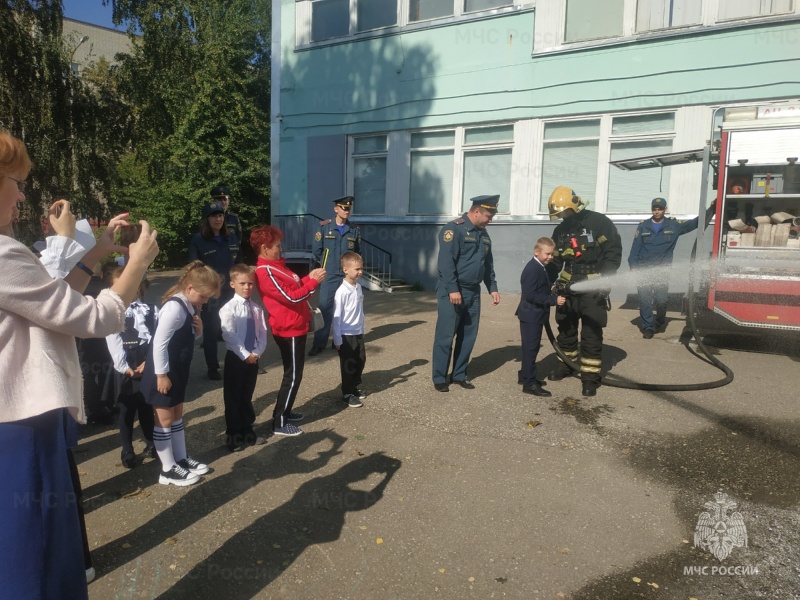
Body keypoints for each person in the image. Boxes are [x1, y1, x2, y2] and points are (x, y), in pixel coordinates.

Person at [0, 130, 160, 600]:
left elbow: (46, 301)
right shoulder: (2, 253)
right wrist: (137, 264)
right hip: (23, 427)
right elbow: (93, 317)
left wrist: (92, 254)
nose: (23, 194)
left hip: (13, 423)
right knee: (40, 558)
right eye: (15, 180)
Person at [141, 261, 221, 486]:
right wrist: (161, 375)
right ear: (190, 289)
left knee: (176, 414)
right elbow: (159, 344)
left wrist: (199, 331)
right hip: (163, 372)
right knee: (164, 419)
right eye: (204, 297)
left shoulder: (189, 305)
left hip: (176, 370)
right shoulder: (175, 307)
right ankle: (167, 469)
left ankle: (181, 458)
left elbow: (183, 340)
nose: (205, 302)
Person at [546, 186, 622, 397]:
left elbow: (613, 253)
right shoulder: (560, 230)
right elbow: (556, 260)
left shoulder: (599, 223)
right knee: (566, 328)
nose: (561, 217)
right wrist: (545, 279)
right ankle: (566, 365)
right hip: (568, 286)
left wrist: (606, 280)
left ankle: (590, 377)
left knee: (591, 333)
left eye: (563, 212)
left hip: (593, 287)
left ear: (574, 206)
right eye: (558, 214)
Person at [252, 225, 326, 436]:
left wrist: (309, 277)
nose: (280, 249)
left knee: (294, 374)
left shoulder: (277, 265)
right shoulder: (265, 271)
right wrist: (313, 282)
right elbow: (292, 297)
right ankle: (280, 422)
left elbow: (294, 288)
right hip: (288, 328)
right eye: (276, 246)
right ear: (264, 248)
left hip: (295, 325)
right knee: (292, 376)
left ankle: (286, 410)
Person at [431, 194, 501, 392]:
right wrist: (453, 289)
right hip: (452, 291)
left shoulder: (484, 234)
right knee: (446, 336)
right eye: (488, 215)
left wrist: (493, 288)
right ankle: (439, 377)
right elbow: (446, 263)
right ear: (476, 211)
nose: (490, 220)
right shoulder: (453, 229)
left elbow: (488, 265)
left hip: (473, 292)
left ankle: (459, 374)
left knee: (468, 336)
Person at [628, 196, 715, 338]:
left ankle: (660, 319)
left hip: (663, 270)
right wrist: (633, 267)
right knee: (645, 300)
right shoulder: (643, 226)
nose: (656, 212)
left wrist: (711, 209)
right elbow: (635, 249)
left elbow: (695, 223)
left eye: (659, 209)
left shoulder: (673, 225)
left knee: (661, 300)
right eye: (654, 209)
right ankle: (648, 327)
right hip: (644, 269)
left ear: (665, 209)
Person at [104, 264, 157, 468]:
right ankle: (127, 447)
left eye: (131, 286)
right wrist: (124, 367)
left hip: (145, 364)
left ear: (138, 287)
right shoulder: (113, 314)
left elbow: (158, 338)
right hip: (124, 366)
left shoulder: (151, 310)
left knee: (146, 406)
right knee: (126, 409)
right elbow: (113, 341)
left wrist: (149, 362)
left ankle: (151, 442)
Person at [219, 263, 267, 452]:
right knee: (233, 398)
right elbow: (229, 334)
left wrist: (257, 352)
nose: (247, 287)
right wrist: (245, 354)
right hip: (236, 358)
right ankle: (234, 436)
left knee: (247, 395)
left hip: (253, 358)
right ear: (232, 284)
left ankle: (248, 430)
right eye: (242, 283)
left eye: (250, 283)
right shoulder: (228, 308)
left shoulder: (256, 308)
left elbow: (262, 332)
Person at [188, 201, 238, 380]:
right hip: (211, 293)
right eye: (214, 216)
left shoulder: (230, 237)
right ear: (206, 219)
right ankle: (213, 368)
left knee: (232, 327)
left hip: (230, 291)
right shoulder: (198, 240)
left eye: (220, 215)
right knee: (211, 330)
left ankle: (237, 362)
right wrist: (209, 278)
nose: (218, 219)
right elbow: (193, 266)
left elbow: (237, 262)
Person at [309, 196, 361, 356]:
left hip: (346, 276)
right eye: (343, 208)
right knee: (325, 307)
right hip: (330, 274)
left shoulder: (354, 230)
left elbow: (357, 252)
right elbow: (317, 251)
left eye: (348, 209)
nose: (346, 211)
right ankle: (319, 343)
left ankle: (341, 340)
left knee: (345, 308)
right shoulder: (325, 227)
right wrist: (325, 265)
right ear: (336, 209)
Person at [516, 237, 566, 397]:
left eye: (552, 254)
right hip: (531, 314)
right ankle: (529, 384)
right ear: (536, 252)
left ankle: (525, 375)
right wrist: (553, 300)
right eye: (548, 254)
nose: (550, 257)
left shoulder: (540, 266)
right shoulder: (532, 269)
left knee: (532, 347)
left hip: (535, 314)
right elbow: (530, 295)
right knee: (531, 348)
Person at [332, 252, 367, 408]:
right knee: (348, 364)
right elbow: (337, 316)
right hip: (346, 335)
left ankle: (354, 387)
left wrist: (362, 327)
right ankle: (347, 393)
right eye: (357, 269)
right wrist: (337, 339)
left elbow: (359, 309)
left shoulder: (358, 287)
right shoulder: (341, 292)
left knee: (360, 360)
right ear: (346, 269)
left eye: (361, 269)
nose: (360, 272)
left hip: (358, 332)